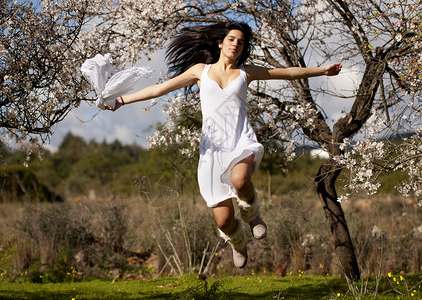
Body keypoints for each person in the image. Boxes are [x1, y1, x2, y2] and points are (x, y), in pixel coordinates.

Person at [106, 22, 342, 269]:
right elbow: (159, 89)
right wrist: (121, 100)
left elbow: (286, 72)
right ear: (221, 43)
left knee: (240, 180)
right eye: (231, 39)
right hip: (212, 151)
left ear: (242, 49)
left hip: (241, 140)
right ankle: (238, 241)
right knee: (224, 221)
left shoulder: (245, 73)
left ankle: (252, 215)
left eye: (240, 42)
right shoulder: (200, 71)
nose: (235, 44)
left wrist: (322, 71)